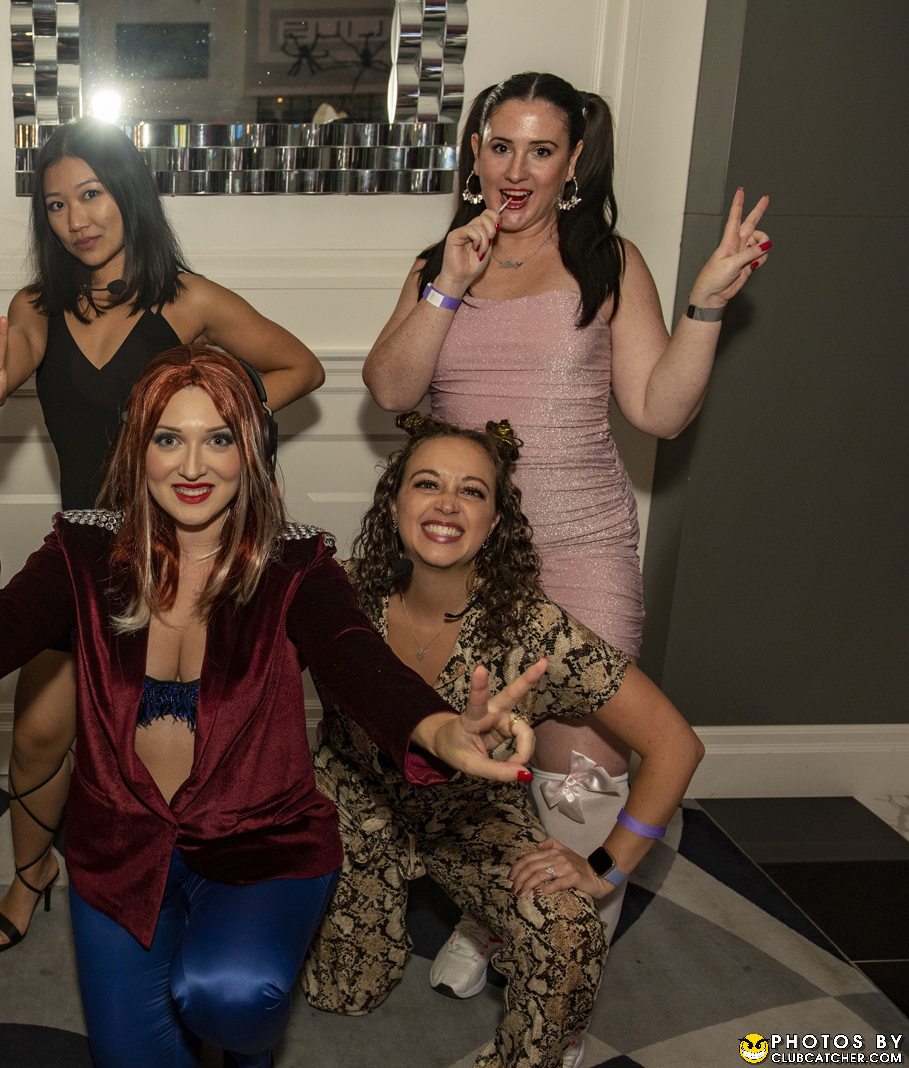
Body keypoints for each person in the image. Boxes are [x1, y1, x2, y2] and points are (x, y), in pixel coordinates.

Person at [0, 347, 544, 1068]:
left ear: (250, 450)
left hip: (263, 845)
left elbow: (355, 656)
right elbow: (0, 624)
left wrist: (436, 727)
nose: (193, 467)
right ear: (139, 449)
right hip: (119, 849)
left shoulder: (296, 565)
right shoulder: (82, 551)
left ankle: (249, 1053)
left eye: (217, 439)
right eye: (169, 439)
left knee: (229, 996)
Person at [360, 70, 766, 975]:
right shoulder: (438, 264)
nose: (517, 170)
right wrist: (448, 286)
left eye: (541, 150)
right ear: (474, 154)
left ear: (573, 161)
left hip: (583, 547)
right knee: (478, 740)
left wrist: (706, 306)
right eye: (501, 147)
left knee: (577, 770)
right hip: (464, 556)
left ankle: (558, 970)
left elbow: (660, 411)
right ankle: (494, 911)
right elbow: (391, 390)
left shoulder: (608, 263)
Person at [0, 119, 324, 951]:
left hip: (179, 555)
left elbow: (303, 366)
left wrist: (224, 419)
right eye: (56, 205)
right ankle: (30, 876)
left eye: (92, 194)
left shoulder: (187, 300)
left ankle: (192, 877)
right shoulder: (35, 307)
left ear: (128, 192)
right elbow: (13, 364)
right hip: (86, 558)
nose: (77, 218)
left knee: (177, 742)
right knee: (39, 733)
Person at [303, 413, 705, 1068]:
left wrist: (604, 867)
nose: (447, 504)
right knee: (340, 994)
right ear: (394, 503)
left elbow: (676, 745)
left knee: (568, 930)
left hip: (472, 819)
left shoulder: (534, 628)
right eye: (427, 483)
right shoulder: (337, 596)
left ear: (494, 523)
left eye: (472, 491)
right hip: (355, 807)